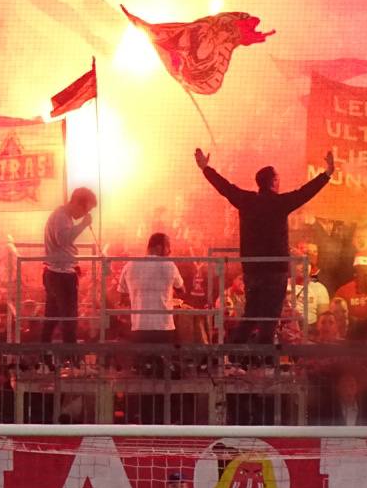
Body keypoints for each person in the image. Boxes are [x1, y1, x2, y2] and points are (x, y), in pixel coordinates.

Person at [195, 148, 335, 342]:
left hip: (252, 270)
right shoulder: (280, 202)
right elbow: (305, 193)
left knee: (252, 316)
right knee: (269, 320)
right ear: (274, 182)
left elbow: (225, 187)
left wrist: (205, 168)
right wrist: (326, 174)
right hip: (275, 271)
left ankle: (235, 357)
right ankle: (264, 362)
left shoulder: (246, 200)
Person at [41, 188, 98, 345]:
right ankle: (71, 360)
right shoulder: (61, 217)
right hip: (61, 275)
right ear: (78, 203)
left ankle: (45, 356)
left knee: (51, 318)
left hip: (57, 272)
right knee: (69, 319)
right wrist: (83, 225)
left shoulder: (63, 216)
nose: (86, 214)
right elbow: (63, 239)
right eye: (87, 209)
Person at [120, 233, 186, 345]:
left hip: (139, 327)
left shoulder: (129, 265)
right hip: (163, 327)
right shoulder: (169, 265)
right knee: (162, 359)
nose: (170, 251)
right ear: (159, 248)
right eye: (168, 247)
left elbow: (123, 297)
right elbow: (182, 290)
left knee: (142, 360)